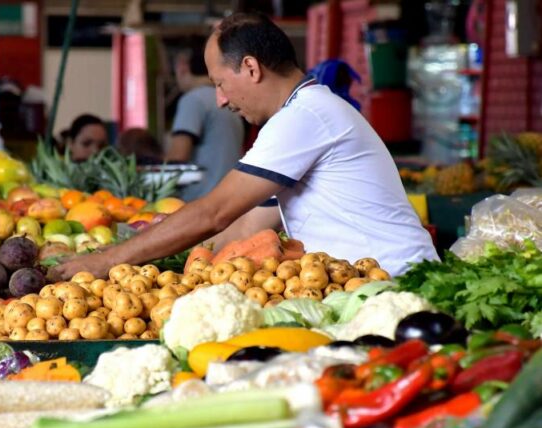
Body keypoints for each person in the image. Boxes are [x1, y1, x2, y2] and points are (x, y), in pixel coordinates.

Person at [48, 12, 437, 282]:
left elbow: (214, 213)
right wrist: (164, 260)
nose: (219, 99)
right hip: (371, 281)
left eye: (220, 82)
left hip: (395, 283)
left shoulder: (304, 117)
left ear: (251, 69)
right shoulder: (302, 113)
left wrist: (108, 260)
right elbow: (249, 224)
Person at [167, 36, 245, 201]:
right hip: (229, 198)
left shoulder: (193, 100)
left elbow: (178, 159)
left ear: (182, 67)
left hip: (199, 201)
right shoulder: (230, 100)